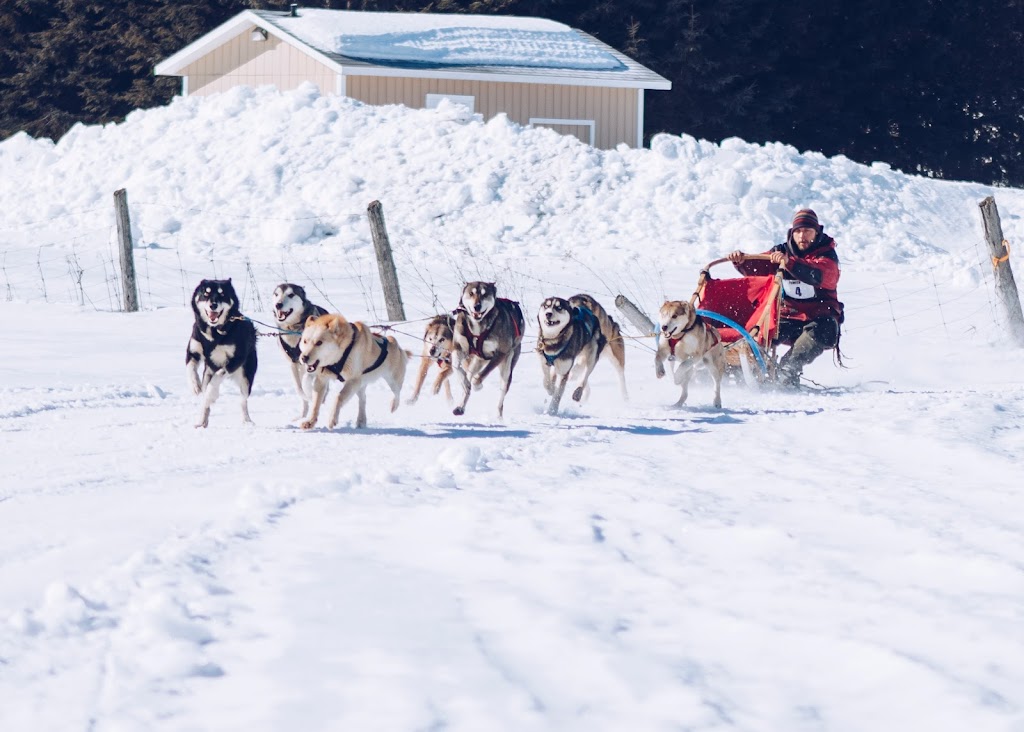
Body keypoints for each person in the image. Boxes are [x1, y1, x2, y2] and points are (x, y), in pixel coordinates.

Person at [726, 209, 843, 387]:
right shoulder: (781, 250)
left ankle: (787, 371)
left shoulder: (826, 254)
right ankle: (741, 367)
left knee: (824, 329)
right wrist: (741, 261)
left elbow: (821, 275)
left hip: (819, 319)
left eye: (807, 231)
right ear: (792, 233)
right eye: (798, 231)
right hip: (788, 316)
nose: (802, 235)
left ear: (817, 232)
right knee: (758, 331)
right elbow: (759, 266)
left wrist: (789, 263)